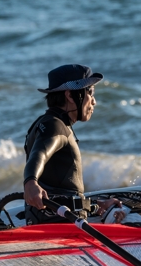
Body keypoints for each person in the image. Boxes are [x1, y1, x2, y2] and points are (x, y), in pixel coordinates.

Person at [23, 64, 123, 224]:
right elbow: (39, 153)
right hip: (61, 232)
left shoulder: (45, 123)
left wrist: (96, 206)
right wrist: (30, 182)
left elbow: (61, 195)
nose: (94, 102)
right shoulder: (56, 126)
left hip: (55, 223)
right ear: (70, 95)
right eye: (90, 92)